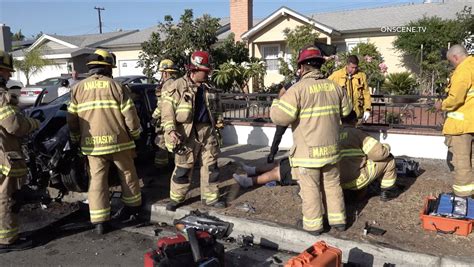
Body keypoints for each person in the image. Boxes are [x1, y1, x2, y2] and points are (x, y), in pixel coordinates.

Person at [270, 45, 352, 235]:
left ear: (302, 67)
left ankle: (314, 225)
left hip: (308, 155)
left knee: (310, 189)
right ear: (320, 65)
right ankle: (338, 221)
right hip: (332, 151)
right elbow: (347, 113)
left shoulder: (297, 90)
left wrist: (277, 100)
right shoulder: (335, 87)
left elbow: (280, 118)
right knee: (333, 186)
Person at [67, 49, 143, 235]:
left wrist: (76, 139)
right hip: (119, 142)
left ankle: (100, 221)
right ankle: (133, 210)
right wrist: (135, 134)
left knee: (97, 181)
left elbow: (72, 119)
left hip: (92, 145)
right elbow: (130, 115)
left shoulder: (77, 88)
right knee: (128, 175)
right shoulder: (116, 86)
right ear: (108, 67)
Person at [161, 51, 225, 211]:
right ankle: (176, 199)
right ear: (194, 70)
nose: (207, 74)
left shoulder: (208, 87)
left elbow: (216, 108)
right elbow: (167, 111)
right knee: (183, 168)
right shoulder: (177, 86)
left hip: (208, 133)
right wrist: (170, 130)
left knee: (211, 167)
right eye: (205, 71)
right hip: (186, 134)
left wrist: (219, 121)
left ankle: (211, 198)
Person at [0, 50, 40, 250]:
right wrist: (33, 123)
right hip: (3, 157)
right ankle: (7, 240)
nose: (8, 77)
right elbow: (14, 126)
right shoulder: (2, 98)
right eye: (7, 72)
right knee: (6, 198)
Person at [338, 111, 401, 200]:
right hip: (356, 180)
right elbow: (380, 153)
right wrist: (387, 147)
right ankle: (388, 191)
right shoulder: (357, 133)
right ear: (354, 121)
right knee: (389, 160)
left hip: (337, 181)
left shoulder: (332, 133)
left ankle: (350, 192)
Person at [441, 44, 474, 197]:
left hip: (461, 126)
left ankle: (463, 198)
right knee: (471, 160)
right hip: (471, 123)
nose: (452, 65)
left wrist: (441, 104)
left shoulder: (463, 70)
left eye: (451, 62)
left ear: (455, 57)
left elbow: (456, 98)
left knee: (461, 162)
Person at [267, 71, 300, 163]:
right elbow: (282, 91)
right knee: (279, 133)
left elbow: (282, 92)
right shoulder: (296, 81)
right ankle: (272, 154)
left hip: (294, 111)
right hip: (291, 111)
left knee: (280, 134)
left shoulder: (301, 81)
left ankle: (272, 154)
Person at [151, 59, 178, 169]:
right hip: (173, 118)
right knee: (172, 142)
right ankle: (173, 164)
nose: (161, 74)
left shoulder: (167, 85)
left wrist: (154, 116)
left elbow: (163, 105)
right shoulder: (176, 82)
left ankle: (161, 168)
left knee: (161, 142)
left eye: (162, 72)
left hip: (166, 119)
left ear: (165, 72)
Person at [329, 55, 372, 121]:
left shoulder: (362, 76)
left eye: (356, 67)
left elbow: (366, 94)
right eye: (352, 67)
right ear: (347, 65)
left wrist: (367, 109)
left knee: (355, 131)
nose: (354, 70)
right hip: (341, 114)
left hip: (356, 115)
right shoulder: (336, 75)